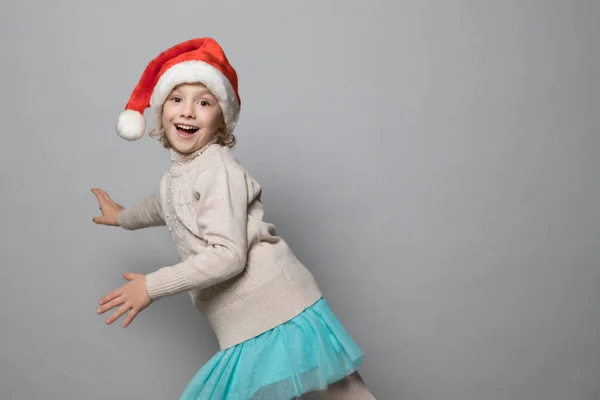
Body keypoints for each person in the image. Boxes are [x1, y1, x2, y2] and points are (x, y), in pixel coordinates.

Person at [91, 37, 375, 399]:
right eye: (177, 99)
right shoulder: (179, 175)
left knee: (344, 393)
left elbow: (228, 254)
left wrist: (151, 287)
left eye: (204, 102)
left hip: (274, 308)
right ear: (161, 110)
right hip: (254, 318)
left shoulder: (217, 170)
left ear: (221, 118)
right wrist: (123, 217)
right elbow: (163, 206)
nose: (188, 111)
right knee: (344, 393)